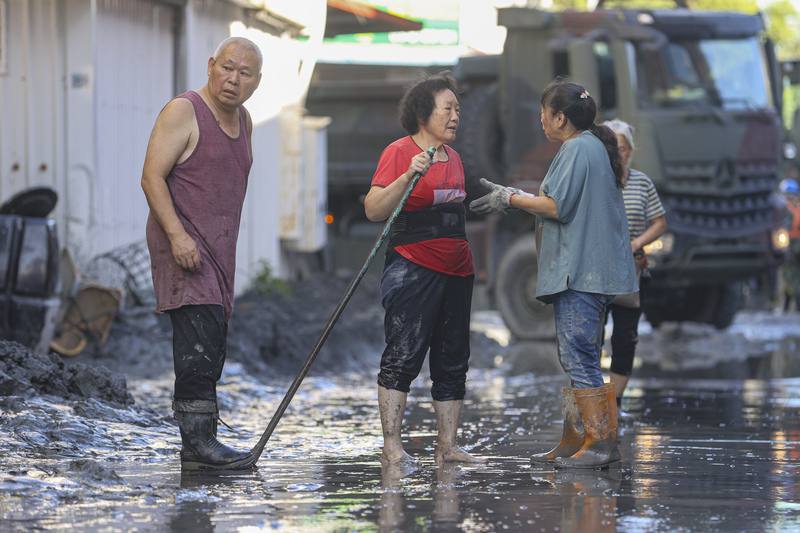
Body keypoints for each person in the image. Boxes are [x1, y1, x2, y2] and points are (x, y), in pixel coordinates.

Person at [470, 81, 637, 469]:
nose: (541, 118)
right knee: (577, 353)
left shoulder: (577, 148)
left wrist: (509, 197)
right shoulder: (592, 146)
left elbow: (556, 206)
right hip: (589, 268)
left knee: (579, 353)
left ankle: (598, 445)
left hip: (582, 270)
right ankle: (575, 440)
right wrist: (516, 194)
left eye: (544, 111)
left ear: (560, 117)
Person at [141, 37, 262, 470]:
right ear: (211, 66)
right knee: (198, 340)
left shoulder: (244, 120)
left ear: (257, 82)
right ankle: (199, 442)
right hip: (184, 244)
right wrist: (177, 237)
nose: (233, 79)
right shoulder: (184, 111)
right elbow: (152, 177)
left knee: (212, 338)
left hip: (218, 249)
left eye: (244, 73)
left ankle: (196, 447)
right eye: (227, 68)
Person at [364, 72, 482, 466]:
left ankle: (446, 446)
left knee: (452, 356)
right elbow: (374, 208)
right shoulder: (400, 151)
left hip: (457, 269)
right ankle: (392, 445)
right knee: (404, 351)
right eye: (447, 108)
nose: (455, 116)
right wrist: (408, 175)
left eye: (457, 109)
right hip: (413, 267)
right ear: (422, 113)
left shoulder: (456, 159)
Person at [601, 119, 667, 411]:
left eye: (625, 148)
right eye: (615, 148)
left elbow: (660, 222)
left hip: (631, 269)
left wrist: (635, 244)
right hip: (597, 268)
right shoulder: (596, 180)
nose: (621, 153)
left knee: (626, 336)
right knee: (591, 336)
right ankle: (591, 403)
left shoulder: (641, 182)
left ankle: (614, 403)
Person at [781, 178, 800, 311]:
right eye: (788, 194)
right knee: (787, 275)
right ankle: (786, 305)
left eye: (792, 194)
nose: (790, 197)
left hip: (797, 243)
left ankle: (796, 305)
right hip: (786, 244)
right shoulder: (780, 209)